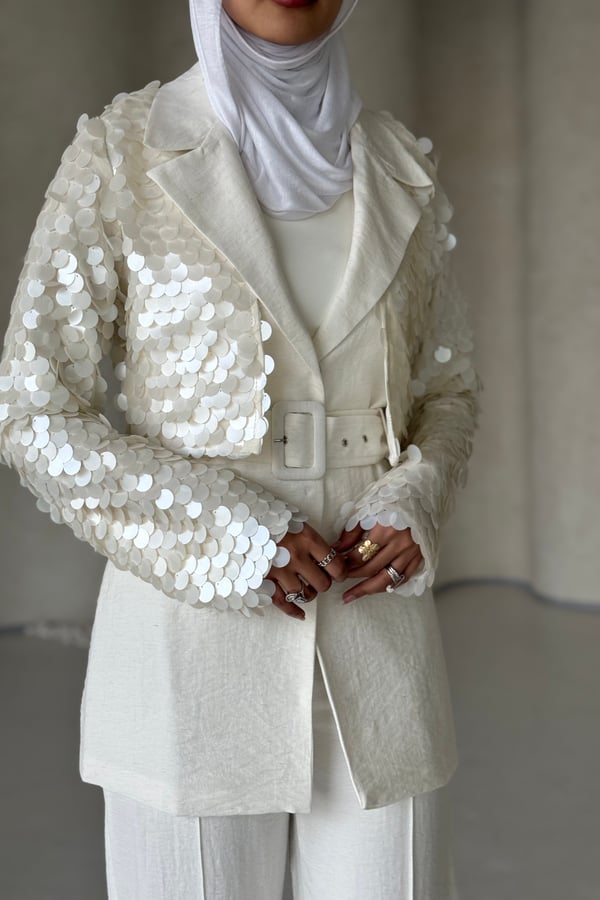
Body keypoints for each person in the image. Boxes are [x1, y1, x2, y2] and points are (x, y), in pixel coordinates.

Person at [0, 0, 482, 896]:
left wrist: (415, 496)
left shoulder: (398, 166)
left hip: (379, 653)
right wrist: (227, 533)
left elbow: (447, 391)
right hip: (187, 663)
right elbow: (35, 411)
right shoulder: (120, 156)